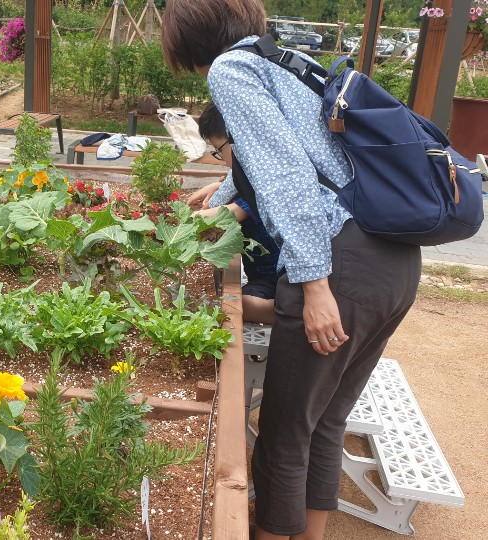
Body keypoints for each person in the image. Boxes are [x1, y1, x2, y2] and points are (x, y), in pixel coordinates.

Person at [160, 1, 421, 539]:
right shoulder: (280, 57)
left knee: (281, 432)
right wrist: (226, 188)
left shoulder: (230, 69)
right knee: (323, 423)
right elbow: (301, 153)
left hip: (340, 263)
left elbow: (287, 180)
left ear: (188, 36)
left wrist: (314, 286)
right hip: (393, 261)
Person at [191, 103, 279, 324]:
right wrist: (218, 185)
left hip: (281, 278)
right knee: (235, 301)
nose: (223, 160)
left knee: (234, 306)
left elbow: (228, 213)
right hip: (261, 275)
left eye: (219, 150)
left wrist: (183, 222)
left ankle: (287, 313)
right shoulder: (252, 172)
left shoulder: (261, 183)